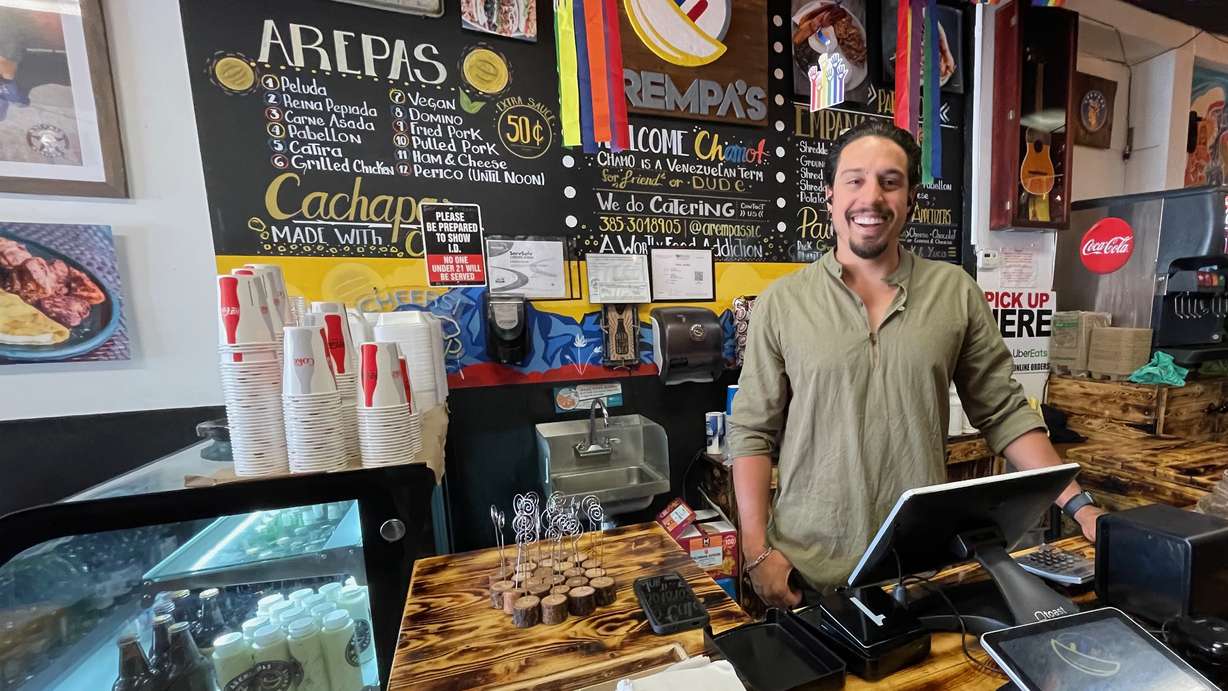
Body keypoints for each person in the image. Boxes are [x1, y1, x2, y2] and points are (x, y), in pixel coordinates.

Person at [725, 119, 1103, 609]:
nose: (871, 197)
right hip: (808, 571)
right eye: (854, 180)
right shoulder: (783, 303)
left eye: (890, 181)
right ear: (829, 197)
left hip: (919, 568)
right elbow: (752, 431)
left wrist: (1080, 505)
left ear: (910, 200)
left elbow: (1004, 413)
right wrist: (757, 552)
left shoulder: (955, 293)